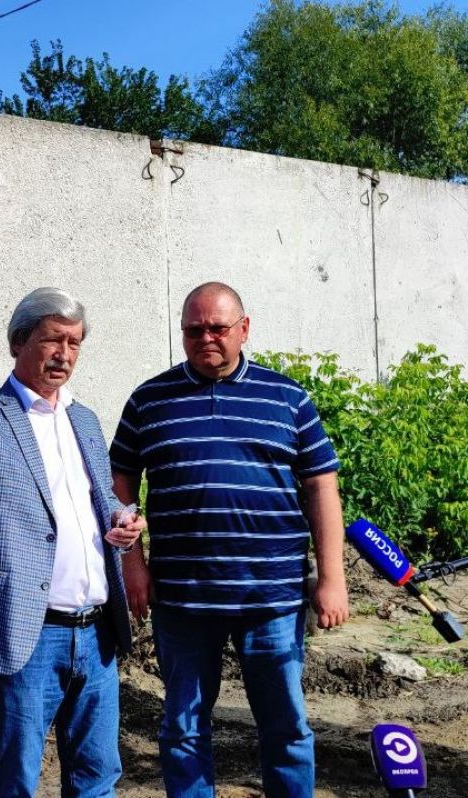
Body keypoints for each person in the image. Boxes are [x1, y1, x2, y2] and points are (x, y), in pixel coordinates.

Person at [109, 282, 350, 798]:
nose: (206, 338)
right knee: (184, 728)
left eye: (218, 327)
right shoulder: (150, 400)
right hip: (183, 598)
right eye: (193, 330)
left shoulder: (288, 397)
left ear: (245, 328)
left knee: (284, 726)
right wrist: (133, 564)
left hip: (274, 596)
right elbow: (120, 478)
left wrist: (332, 578)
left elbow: (321, 487)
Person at [0, 286, 145, 798]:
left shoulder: (83, 418)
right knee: (15, 779)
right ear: (19, 343)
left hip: (96, 634)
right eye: (52, 341)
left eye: (75, 343)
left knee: (97, 776)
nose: (64, 355)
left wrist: (123, 519)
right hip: (27, 631)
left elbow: (100, 497)